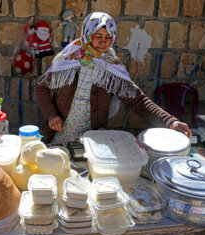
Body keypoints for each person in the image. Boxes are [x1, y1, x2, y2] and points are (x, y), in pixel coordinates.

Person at [36, 12, 192, 144]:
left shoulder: (111, 66)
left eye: (108, 37)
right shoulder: (69, 58)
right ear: (87, 34)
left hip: (93, 140)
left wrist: (170, 121)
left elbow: (137, 100)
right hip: (60, 134)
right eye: (98, 35)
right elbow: (41, 86)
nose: (103, 41)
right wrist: (51, 115)